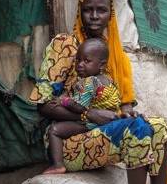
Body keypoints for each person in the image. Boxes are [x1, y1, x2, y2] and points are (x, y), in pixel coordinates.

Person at [30, 0, 167, 184]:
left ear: (111, 15)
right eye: (88, 10)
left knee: (160, 128)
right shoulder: (65, 45)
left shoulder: (111, 54)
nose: (94, 16)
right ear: (80, 13)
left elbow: (116, 103)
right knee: (135, 131)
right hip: (67, 136)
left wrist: (126, 112)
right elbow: (43, 105)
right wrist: (89, 113)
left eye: (101, 10)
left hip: (101, 132)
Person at [44, 38, 155, 176]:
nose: (80, 65)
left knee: (54, 130)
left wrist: (64, 101)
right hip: (108, 122)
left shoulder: (88, 83)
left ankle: (58, 165)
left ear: (101, 65)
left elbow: (79, 107)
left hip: (90, 124)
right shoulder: (109, 81)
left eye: (87, 61)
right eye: (78, 60)